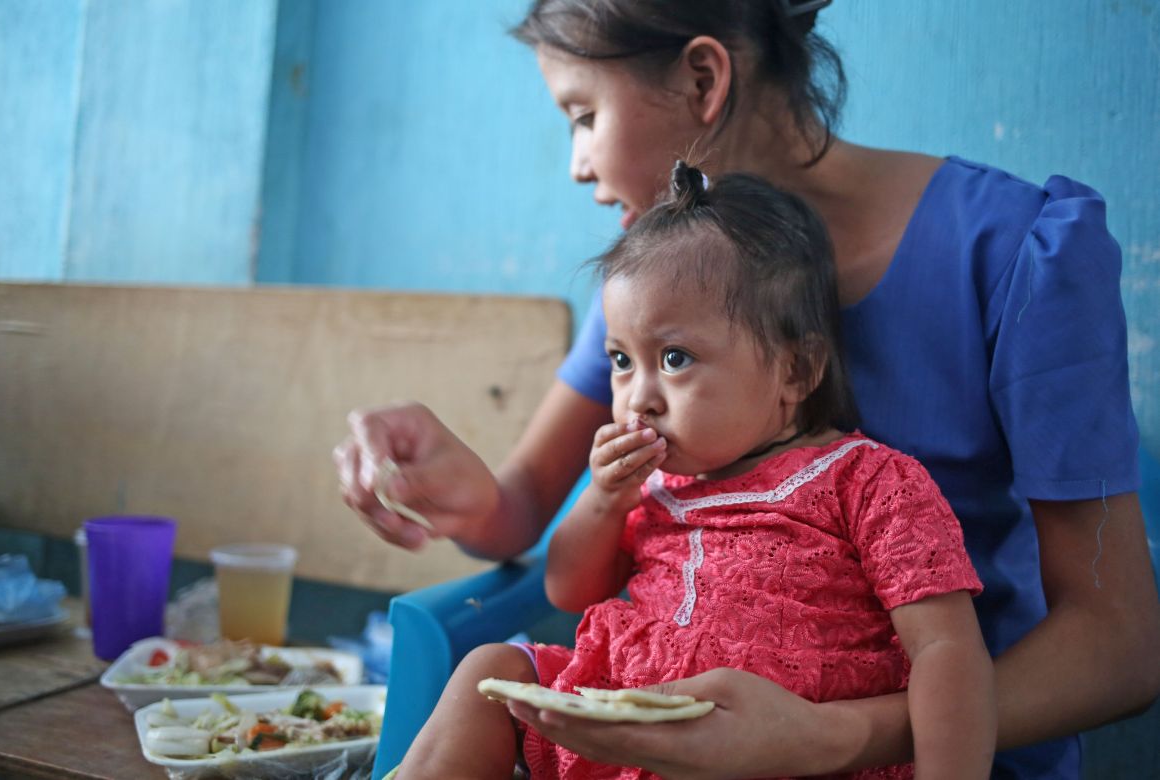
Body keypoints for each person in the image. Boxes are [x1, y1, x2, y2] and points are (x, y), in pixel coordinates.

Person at [335, 1, 1160, 776]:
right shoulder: (661, 291)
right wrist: (453, 488)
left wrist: (833, 735)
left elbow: (1120, 645)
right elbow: (531, 520)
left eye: (584, 115)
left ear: (704, 79)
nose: (577, 164)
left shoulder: (1017, 253)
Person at [392, 163, 996, 780]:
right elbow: (569, 592)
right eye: (622, 360)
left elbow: (945, 651)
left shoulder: (869, 482)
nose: (638, 398)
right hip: (626, 735)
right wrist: (604, 502)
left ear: (796, 371)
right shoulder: (658, 485)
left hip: (776, 757)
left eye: (675, 358)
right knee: (491, 674)